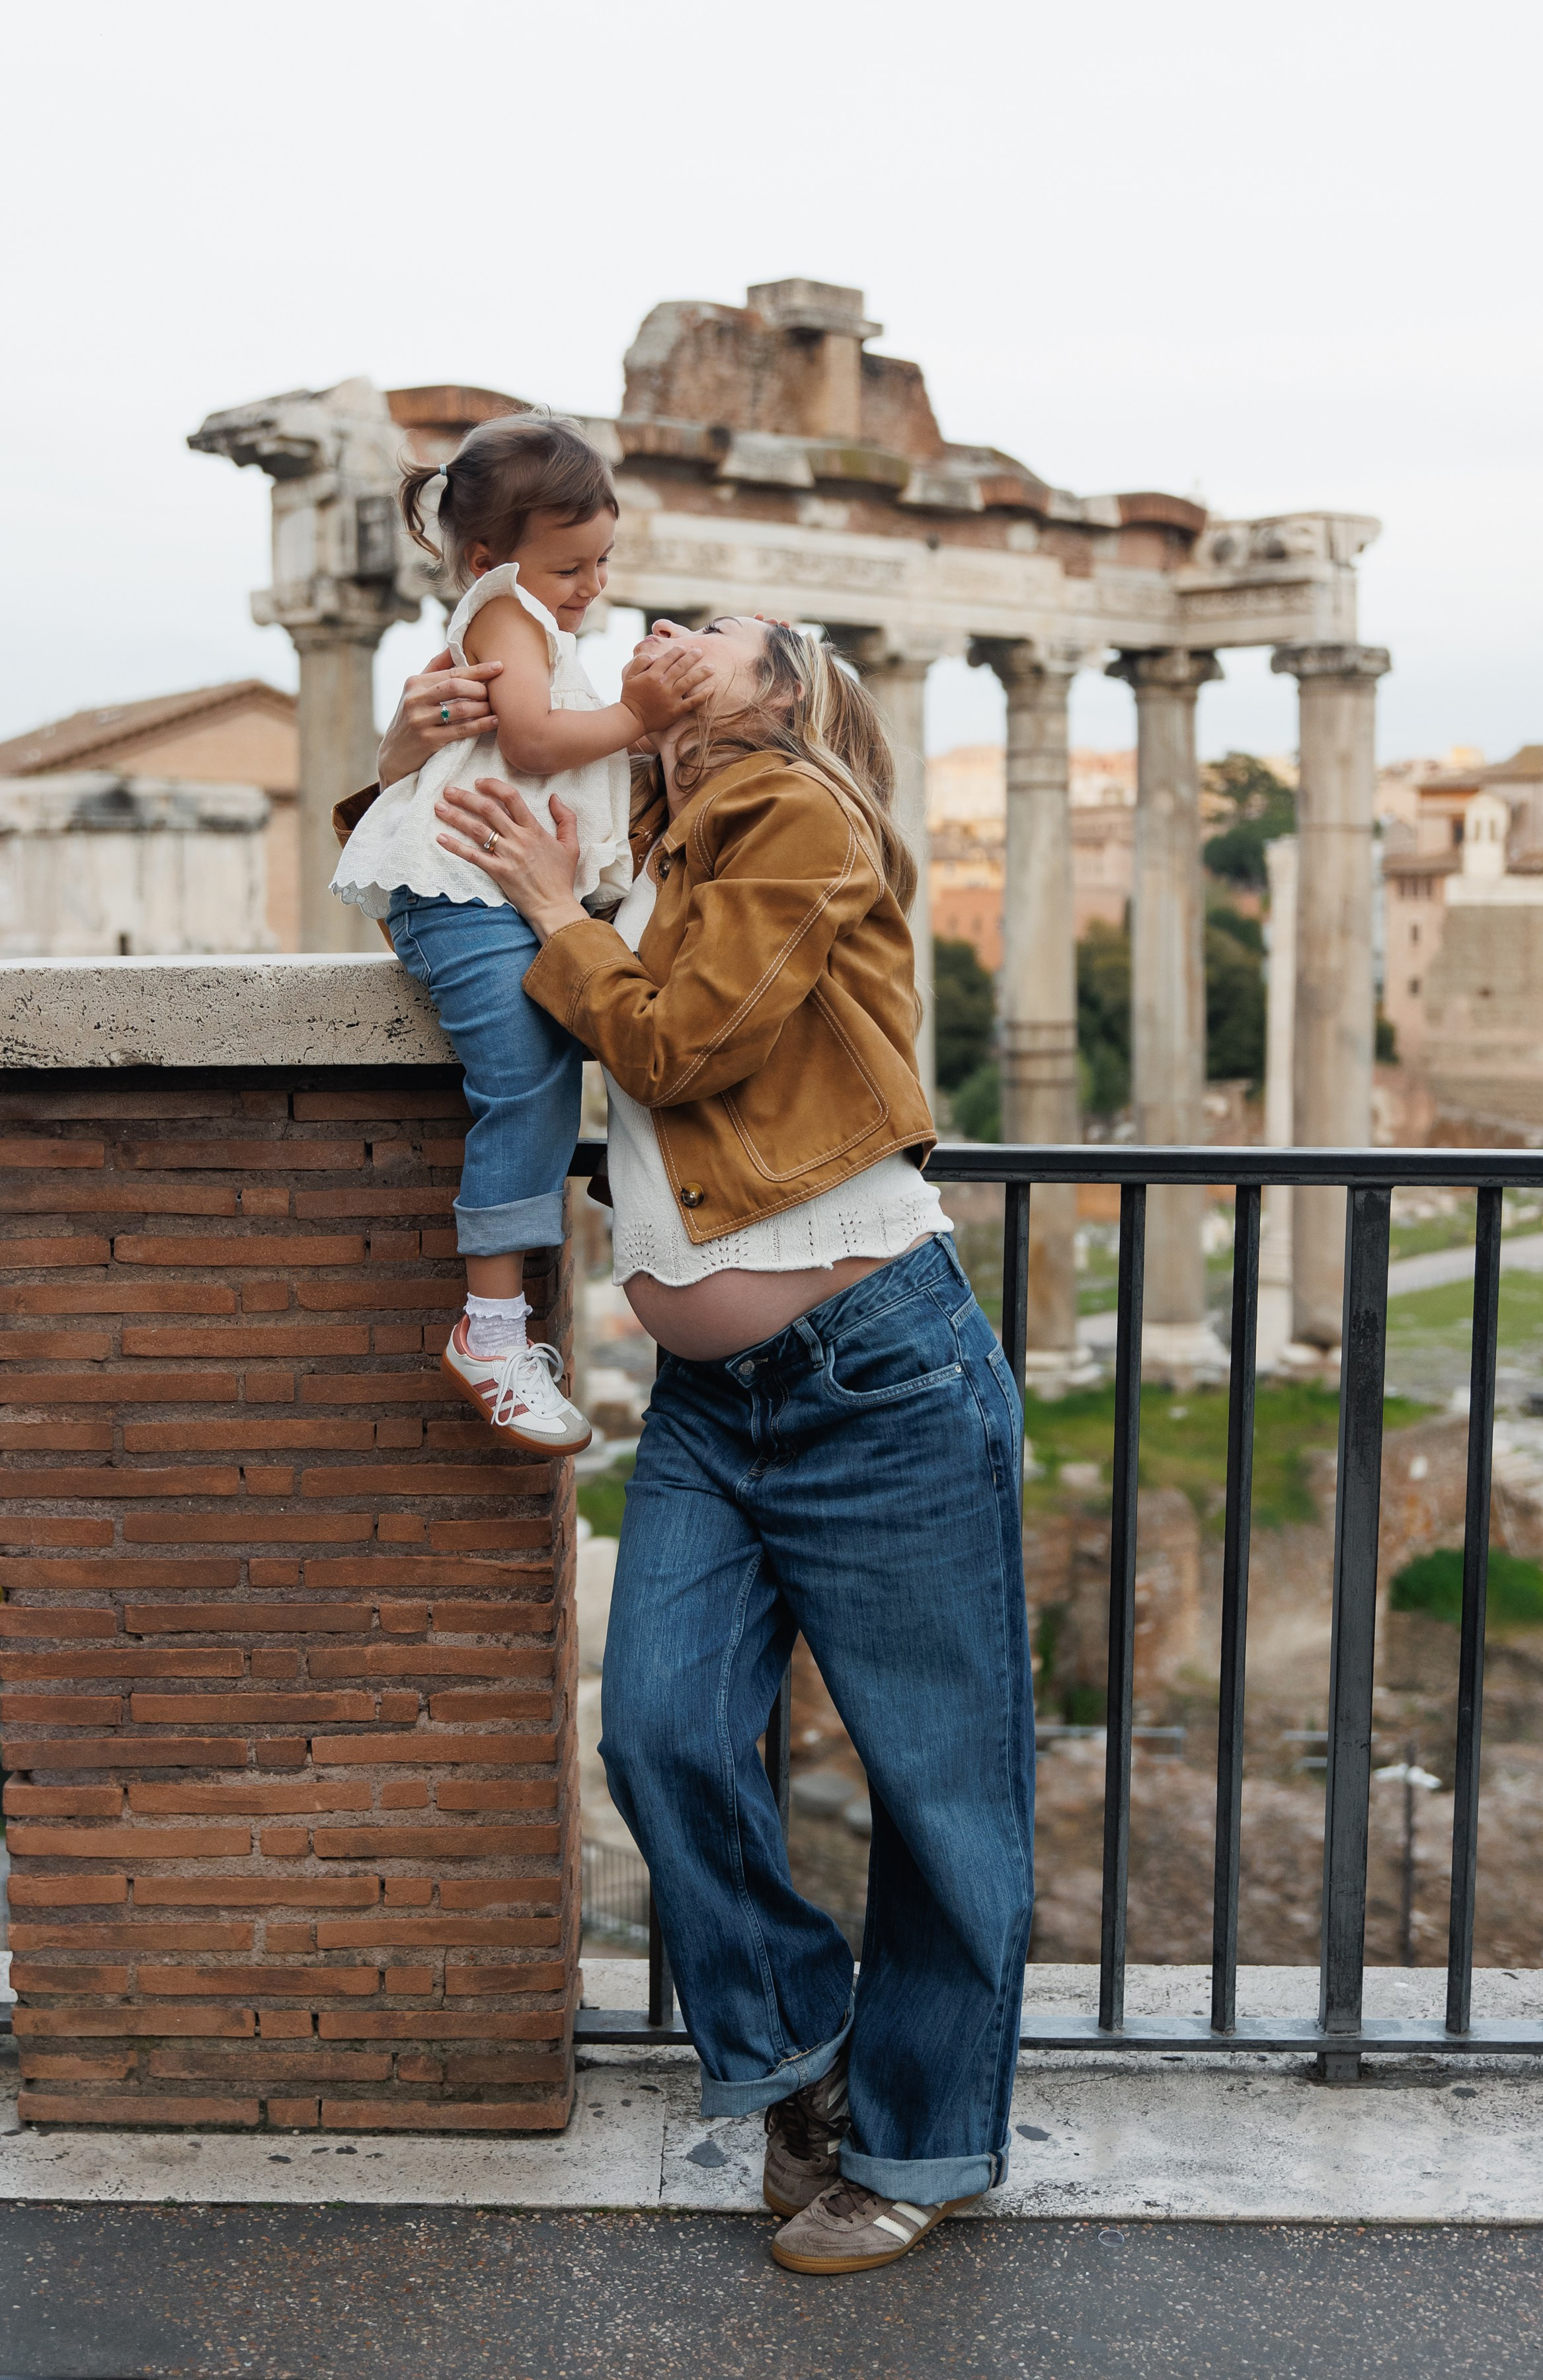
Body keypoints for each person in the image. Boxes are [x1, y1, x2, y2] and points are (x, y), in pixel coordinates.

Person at [421, 614, 1035, 2277]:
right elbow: (430, 855)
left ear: (785, 695)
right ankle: (809, 2064)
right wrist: (434, 731)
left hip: (879, 1376)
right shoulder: (654, 834)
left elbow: (686, 1042)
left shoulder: (803, 811)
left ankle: (918, 2146)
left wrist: (557, 918)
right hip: (715, 1403)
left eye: (721, 630)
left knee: (939, 1788)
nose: (668, 625)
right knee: (666, 1731)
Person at [330, 409, 707, 1457]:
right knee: (526, 1080)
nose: (594, 584)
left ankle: (513, 1316)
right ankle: (490, 1332)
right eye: (572, 564)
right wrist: (637, 712)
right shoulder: (503, 613)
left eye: (604, 560)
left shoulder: (539, 625)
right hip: (460, 891)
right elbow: (537, 745)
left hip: (487, 891)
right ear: (494, 560)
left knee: (568, 1055)